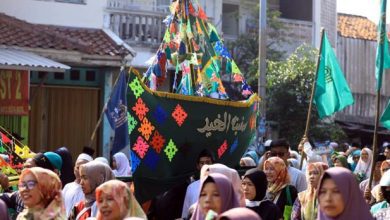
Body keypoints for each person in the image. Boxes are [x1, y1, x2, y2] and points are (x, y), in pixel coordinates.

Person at [182, 149, 214, 218]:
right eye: (202, 163)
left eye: (208, 162)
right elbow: (185, 214)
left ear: (213, 164)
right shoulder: (191, 188)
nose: (205, 166)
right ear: (198, 166)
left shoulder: (220, 185)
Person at [63, 153, 93, 218]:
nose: (80, 170)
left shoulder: (92, 191)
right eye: (78, 167)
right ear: (74, 169)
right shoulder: (67, 187)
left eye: (84, 167)